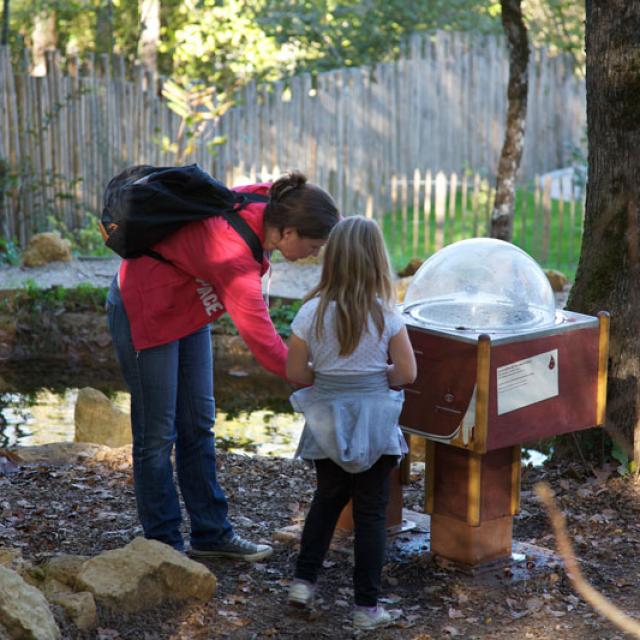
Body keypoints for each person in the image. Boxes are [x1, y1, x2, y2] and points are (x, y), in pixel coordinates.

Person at [106, 169, 339, 561]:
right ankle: (164, 547)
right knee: (157, 435)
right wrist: (317, 378)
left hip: (187, 309)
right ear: (287, 235)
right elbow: (264, 343)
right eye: (313, 246)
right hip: (145, 309)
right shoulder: (234, 256)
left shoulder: (271, 201)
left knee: (198, 423)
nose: (314, 255)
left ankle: (211, 533)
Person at [285, 216, 417, 630]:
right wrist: (378, 379)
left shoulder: (310, 313)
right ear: (377, 261)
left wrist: (328, 377)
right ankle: (366, 608)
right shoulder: (386, 316)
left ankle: (303, 583)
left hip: (327, 425)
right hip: (375, 427)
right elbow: (407, 373)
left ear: (333, 260)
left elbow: (296, 374)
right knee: (372, 514)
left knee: (325, 501)